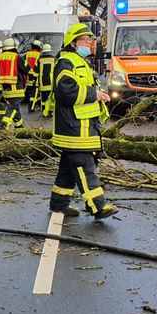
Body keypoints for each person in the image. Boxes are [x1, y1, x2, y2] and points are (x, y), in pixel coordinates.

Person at [48, 23, 118, 220]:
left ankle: (58, 204)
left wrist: (99, 95)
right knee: (83, 165)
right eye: (85, 40)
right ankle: (98, 206)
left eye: (90, 40)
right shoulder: (66, 61)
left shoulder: (81, 61)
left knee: (68, 167)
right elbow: (65, 91)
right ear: (73, 43)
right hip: (74, 127)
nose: (89, 43)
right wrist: (93, 94)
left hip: (83, 125)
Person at [0, 37, 26, 129]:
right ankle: (5, 124)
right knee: (13, 106)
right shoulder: (16, 57)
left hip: (5, 88)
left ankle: (19, 126)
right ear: (13, 47)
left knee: (14, 105)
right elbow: (27, 69)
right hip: (16, 86)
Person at [33, 42, 55, 114]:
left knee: (43, 99)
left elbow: (35, 72)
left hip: (42, 83)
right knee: (50, 98)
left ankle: (43, 111)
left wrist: (34, 81)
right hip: (51, 83)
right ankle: (50, 111)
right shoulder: (54, 59)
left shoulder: (39, 60)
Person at [23, 38, 43, 108]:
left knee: (27, 88)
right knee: (35, 89)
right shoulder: (40, 54)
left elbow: (24, 63)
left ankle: (26, 99)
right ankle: (34, 103)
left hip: (27, 74)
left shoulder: (27, 53)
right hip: (35, 74)